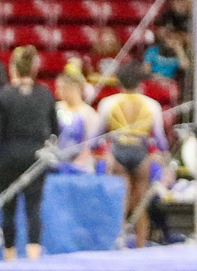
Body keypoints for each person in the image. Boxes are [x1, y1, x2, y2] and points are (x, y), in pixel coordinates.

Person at [0, 48, 56, 260]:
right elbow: (55, 130)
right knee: (33, 207)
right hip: (35, 157)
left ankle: (10, 256)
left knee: (9, 208)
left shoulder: (2, 95)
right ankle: (33, 256)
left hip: (8, 156)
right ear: (34, 69)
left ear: (13, 68)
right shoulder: (45, 94)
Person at [97, 62, 165, 246]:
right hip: (140, 153)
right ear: (140, 82)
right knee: (140, 203)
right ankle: (141, 245)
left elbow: (97, 135)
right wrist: (161, 155)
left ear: (118, 81)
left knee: (122, 202)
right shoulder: (152, 105)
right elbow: (160, 140)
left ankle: (119, 245)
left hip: (119, 151)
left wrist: (102, 149)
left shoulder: (108, 103)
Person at [53, 63, 102, 172]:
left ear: (71, 89)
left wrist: (80, 161)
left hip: (80, 164)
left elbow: (91, 144)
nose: (56, 92)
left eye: (60, 88)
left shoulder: (89, 113)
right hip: (56, 162)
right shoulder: (55, 108)